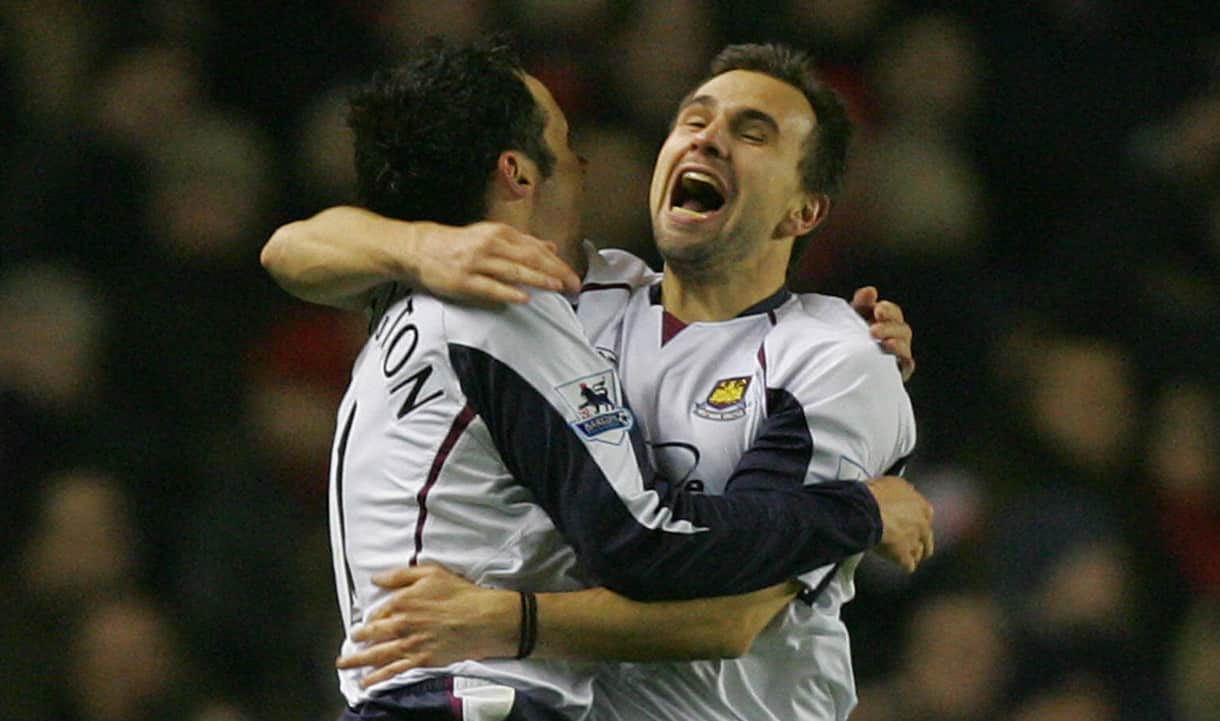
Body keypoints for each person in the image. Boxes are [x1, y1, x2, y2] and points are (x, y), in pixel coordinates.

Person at [263, 39, 931, 721]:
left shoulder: (836, 357)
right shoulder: (562, 295)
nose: (710, 141)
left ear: (804, 210)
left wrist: (511, 619)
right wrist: (423, 244)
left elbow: (729, 617)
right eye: (694, 120)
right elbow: (288, 248)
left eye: (751, 132)